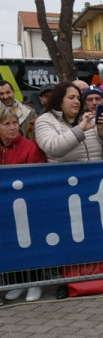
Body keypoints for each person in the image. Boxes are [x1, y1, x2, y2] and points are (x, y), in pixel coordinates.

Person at [0, 108, 45, 302]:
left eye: (14, 123)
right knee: (10, 243)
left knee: (30, 242)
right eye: (6, 124)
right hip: (5, 207)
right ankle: (17, 281)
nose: (12, 128)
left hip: (27, 206)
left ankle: (35, 282)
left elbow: (35, 177)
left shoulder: (29, 147)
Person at [34, 82, 103, 163]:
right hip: (66, 174)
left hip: (96, 172)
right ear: (59, 100)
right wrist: (80, 129)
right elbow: (52, 149)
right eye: (71, 98)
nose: (77, 101)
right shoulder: (44, 120)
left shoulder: (88, 118)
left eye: (78, 98)